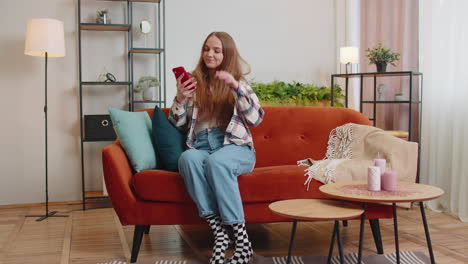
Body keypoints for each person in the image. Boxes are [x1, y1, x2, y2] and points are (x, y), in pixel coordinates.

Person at [169, 32, 264, 264]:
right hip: (202, 144)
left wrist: (235, 87)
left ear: (227, 54)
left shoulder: (239, 83)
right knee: (188, 159)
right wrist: (180, 99)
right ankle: (220, 233)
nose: (209, 54)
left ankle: (243, 242)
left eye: (217, 50)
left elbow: (256, 118)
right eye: (206, 49)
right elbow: (178, 124)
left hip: (234, 147)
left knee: (217, 162)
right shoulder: (194, 82)